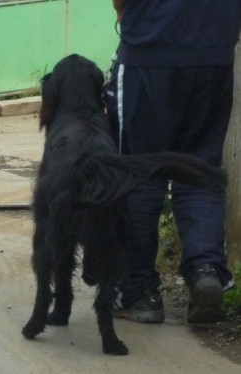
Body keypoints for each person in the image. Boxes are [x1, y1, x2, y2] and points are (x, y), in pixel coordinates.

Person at [105, 0, 241, 324]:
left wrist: (124, 12)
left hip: (150, 49)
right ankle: (205, 272)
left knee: (139, 171)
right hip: (214, 54)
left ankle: (138, 292)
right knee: (199, 168)